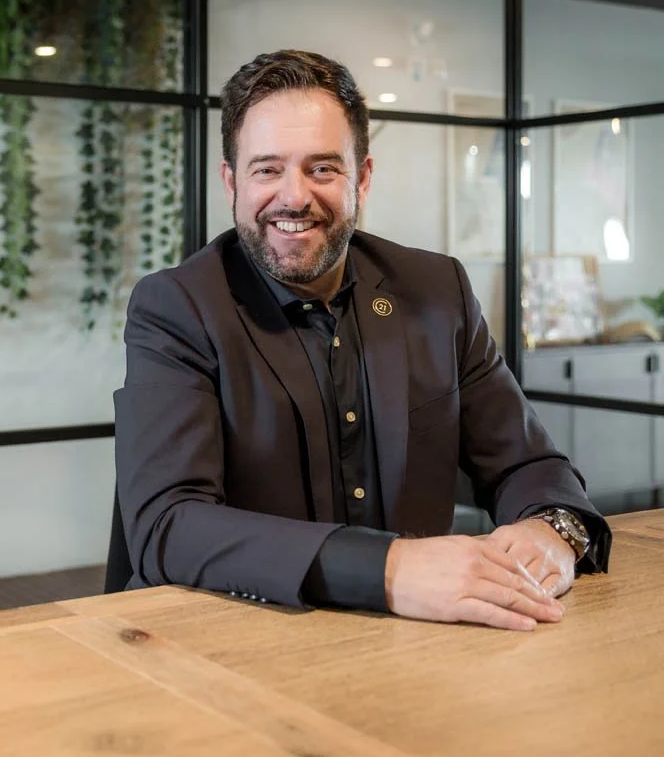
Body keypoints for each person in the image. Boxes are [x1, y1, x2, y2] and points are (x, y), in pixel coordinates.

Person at [113, 49, 612, 632]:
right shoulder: (178, 307)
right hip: (235, 639)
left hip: (415, 646)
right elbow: (167, 524)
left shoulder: (437, 291)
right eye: (267, 169)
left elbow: (527, 463)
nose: (294, 197)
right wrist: (389, 569)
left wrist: (550, 529)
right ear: (231, 181)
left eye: (322, 168)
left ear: (363, 177)